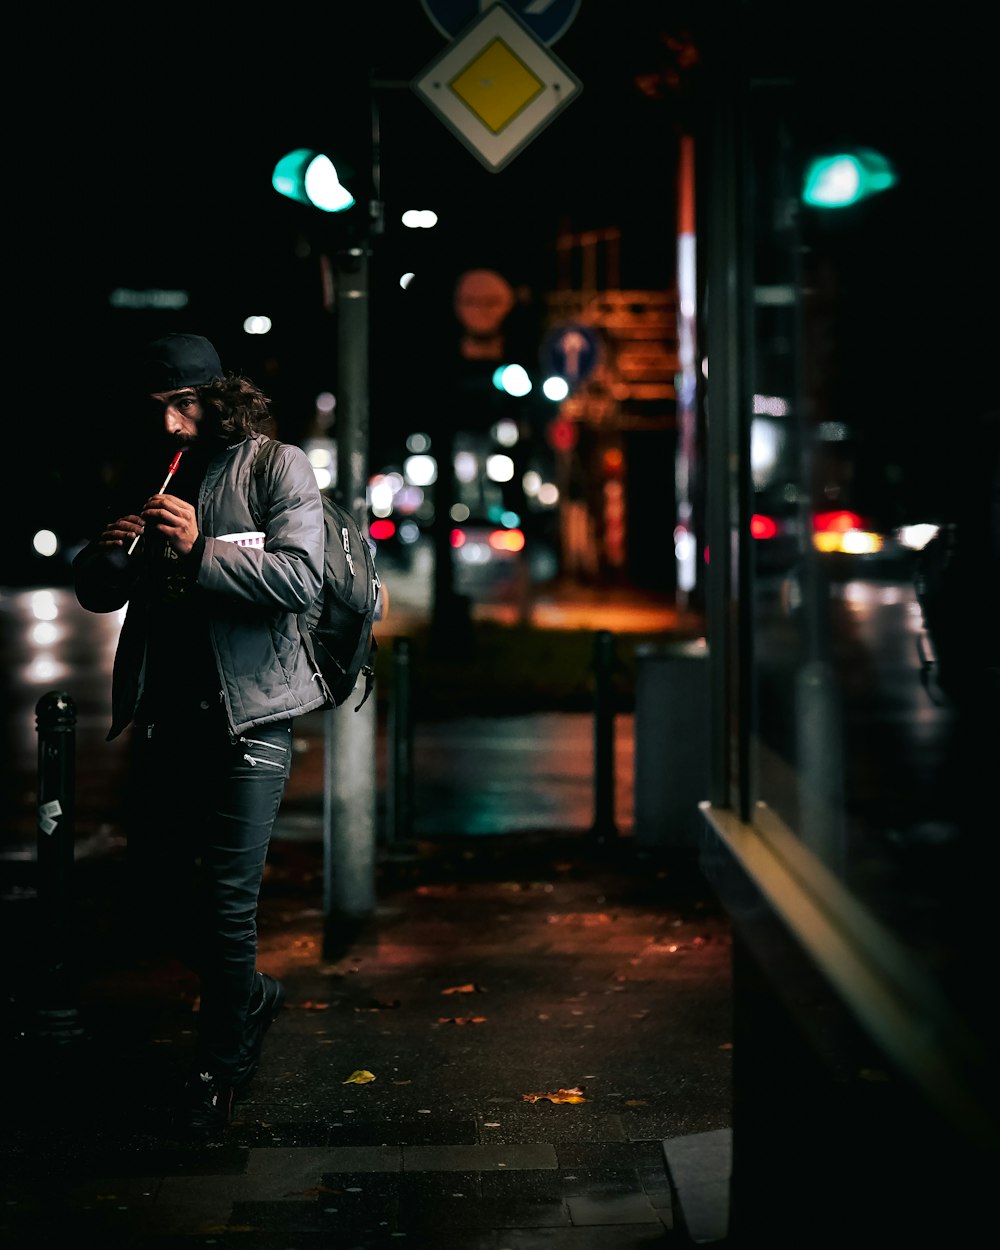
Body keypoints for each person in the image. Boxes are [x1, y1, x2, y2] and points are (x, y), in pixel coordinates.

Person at [72, 332, 328, 1137]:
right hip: (169, 719)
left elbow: (299, 578)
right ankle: (248, 994)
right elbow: (105, 597)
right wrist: (109, 558)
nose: (173, 426)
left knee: (225, 905)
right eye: (160, 411)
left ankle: (219, 1068)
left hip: (251, 718)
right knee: (152, 900)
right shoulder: (162, 472)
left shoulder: (274, 465)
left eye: (183, 407)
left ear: (220, 397)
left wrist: (200, 546)